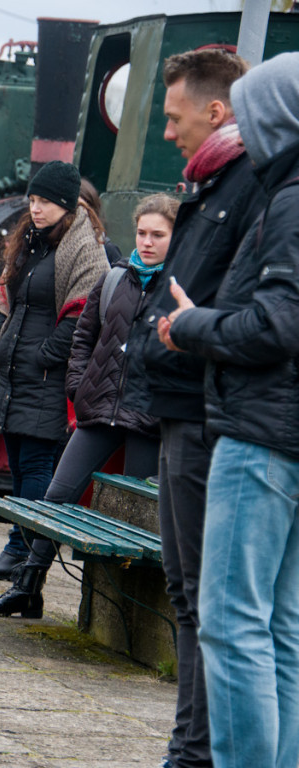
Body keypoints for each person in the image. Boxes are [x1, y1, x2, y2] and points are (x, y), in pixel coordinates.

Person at [156, 52, 299, 768]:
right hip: (277, 429)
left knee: (232, 622)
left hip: (257, 430)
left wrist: (191, 327)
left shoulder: (284, 197)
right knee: (277, 630)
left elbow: (276, 324)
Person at [128, 48, 259, 768]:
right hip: (182, 404)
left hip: (206, 410)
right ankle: (192, 746)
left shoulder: (243, 188)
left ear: (216, 111)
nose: (168, 132)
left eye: (175, 118)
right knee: (187, 590)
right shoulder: (211, 187)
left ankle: (196, 751)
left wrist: (173, 330)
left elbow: (210, 302)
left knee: (205, 597)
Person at [0, 193, 177, 618]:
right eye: (142, 232)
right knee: (56, 495)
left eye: (158, 235)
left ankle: (124, 611)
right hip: (100, 408)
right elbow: (86, 334)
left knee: (136, 512)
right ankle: (27, 586)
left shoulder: (181, 290)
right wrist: (79, 385)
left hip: (148, 418)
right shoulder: (115, 279)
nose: (147, 242)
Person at [0, 161, 109, 582]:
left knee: (37, 462)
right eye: (32, 199)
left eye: (44, 201)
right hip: (13, 369)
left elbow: (83, 314)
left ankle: (22, 551)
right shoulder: (29, 240)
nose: (36, 208)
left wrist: (46, 354)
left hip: (45, 374)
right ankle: (17, 548)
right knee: (20, 466)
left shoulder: (83, 247)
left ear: (65, 204)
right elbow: (4, 294)